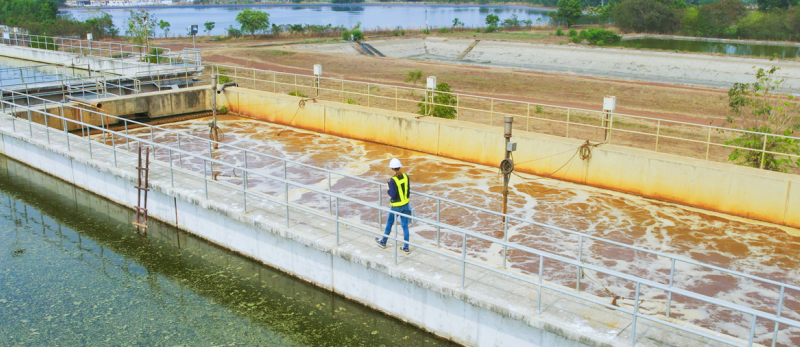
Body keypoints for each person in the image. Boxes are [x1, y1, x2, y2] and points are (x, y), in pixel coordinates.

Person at [376, 158, 412, 254]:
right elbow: (408, 191)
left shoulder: (393, 180)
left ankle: (383, 242)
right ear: (399, 167)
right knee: (405, 226)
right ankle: (406, 247)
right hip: (405, 205)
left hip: (396, 206)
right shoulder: (405, 176)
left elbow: (393, 194)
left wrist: (388, 189)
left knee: (389, 223)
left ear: (392, 169)